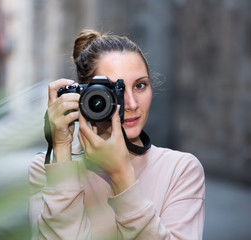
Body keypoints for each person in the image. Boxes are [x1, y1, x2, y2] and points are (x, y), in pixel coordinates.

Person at [28, 29, 205, 239]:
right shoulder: (46, 168)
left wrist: (121, 174)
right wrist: (61, 149)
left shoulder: (181, 170)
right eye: (115, 89)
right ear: (85, 96)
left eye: (140, 86)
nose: (131, 104)